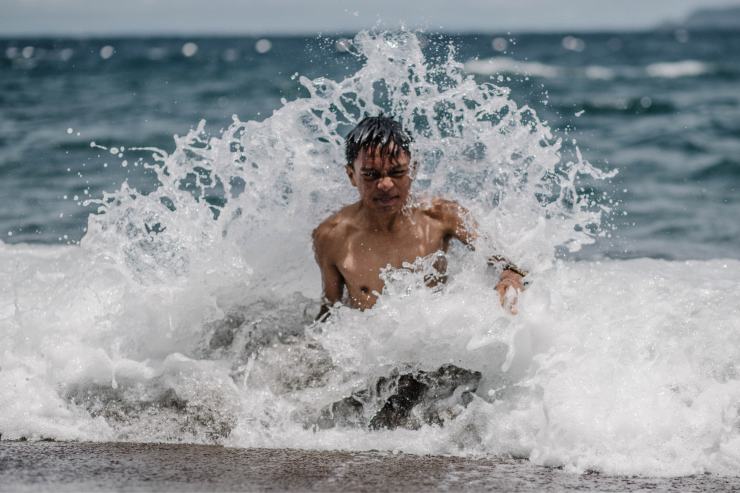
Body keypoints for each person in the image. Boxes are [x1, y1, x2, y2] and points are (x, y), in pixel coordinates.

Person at [312, 115, 526, 321]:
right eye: (371, 175)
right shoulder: (332, 236)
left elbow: (506, 263)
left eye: (397, 173)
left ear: (413, 169)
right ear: (351, 175)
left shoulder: (443, 217)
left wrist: (509, 279)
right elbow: (330, 312)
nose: (385, 185)